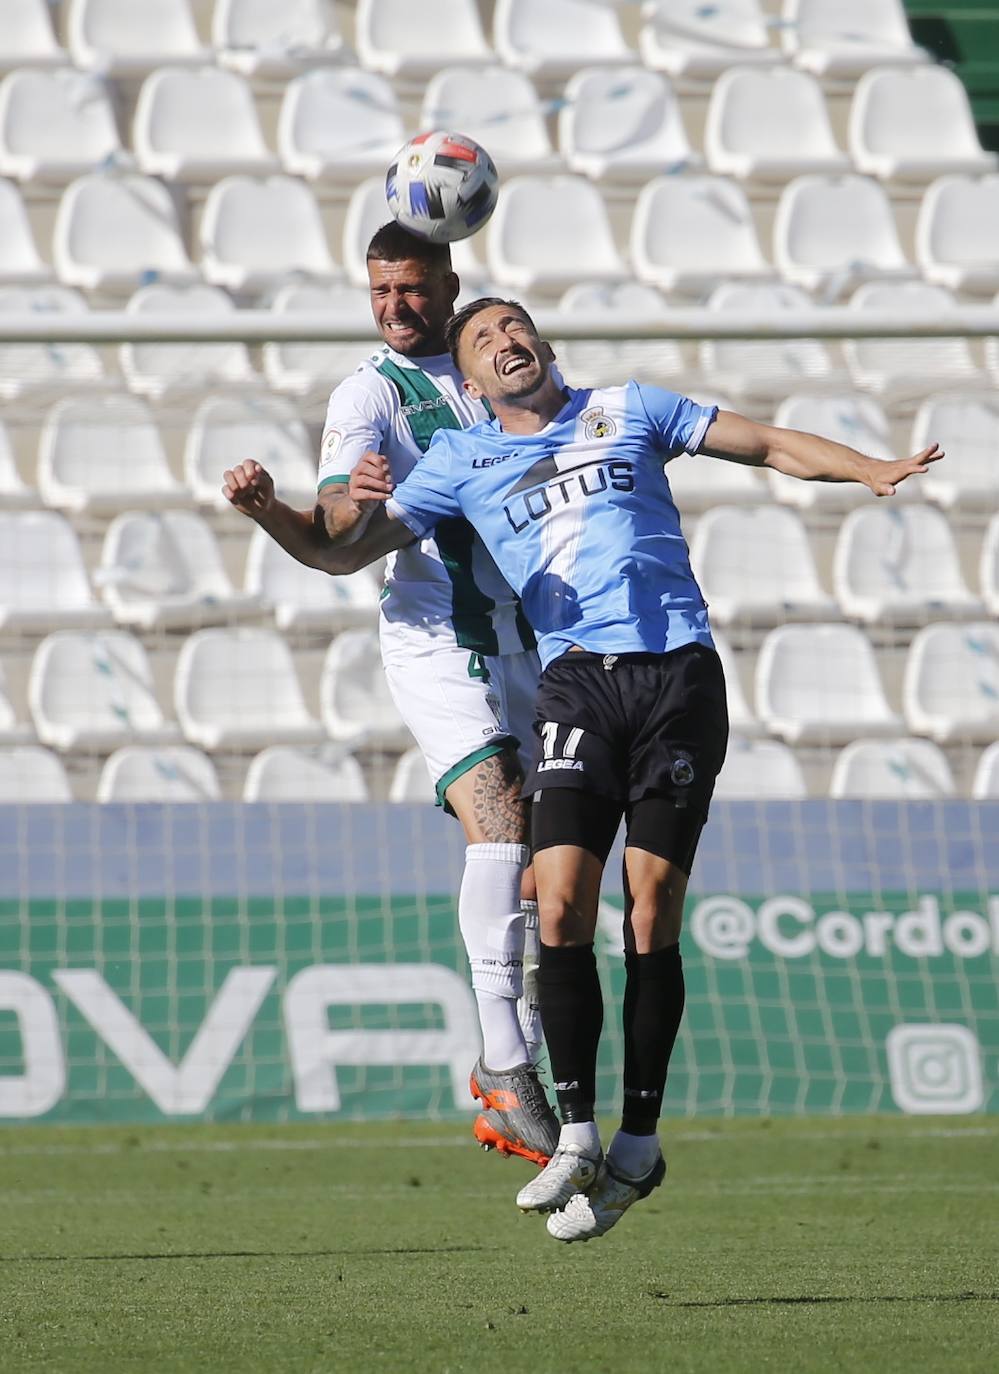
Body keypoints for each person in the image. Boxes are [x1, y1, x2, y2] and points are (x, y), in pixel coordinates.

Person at [325, 296, 944, 1244]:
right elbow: (342, 551)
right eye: (482, 341)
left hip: (679, 678)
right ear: (473, 384)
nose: (504, 342)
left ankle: (638, 1147)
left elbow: (768, 442)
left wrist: (866, 468)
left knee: (651, 916)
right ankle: (576, 1133)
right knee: (562, 903)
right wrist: (280, 510)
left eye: (514, 328)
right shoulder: (459, 460)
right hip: (574, 684)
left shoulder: (631, 409)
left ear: (545, 344)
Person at [222, 236, 558, 1170]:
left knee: (544, 865)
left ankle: (521, 1051)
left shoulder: (494, 363)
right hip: (436, 641)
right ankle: (505, 1058)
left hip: (534, 641)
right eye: (381, 291)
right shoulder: (367, 394)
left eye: (412, 289)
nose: (395, 306)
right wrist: (300, 508)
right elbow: (338, 537)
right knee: (497, 819)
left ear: (450, 288)